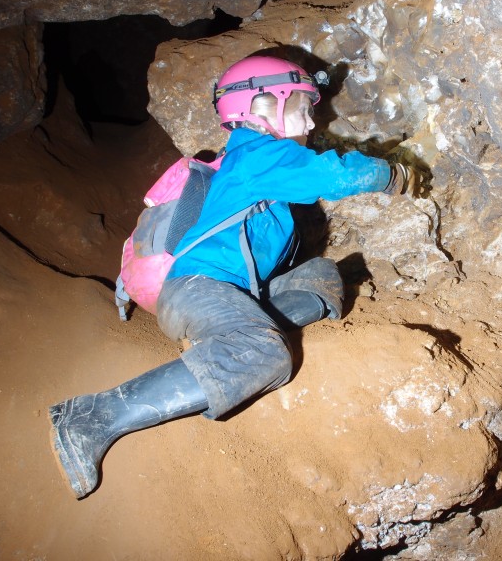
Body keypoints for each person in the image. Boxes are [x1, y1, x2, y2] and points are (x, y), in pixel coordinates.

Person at [49, 55, 428, 499]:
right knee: (265, 354)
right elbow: (332, 174)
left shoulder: (251, 163)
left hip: (232, 292)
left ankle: (236, 336)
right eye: (302, 108)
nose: (311, 121)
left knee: (321, 275)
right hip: (198, 288)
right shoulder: (257, 153)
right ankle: (92, 417)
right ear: (263, 107)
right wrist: (391, 174)